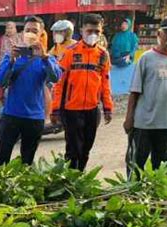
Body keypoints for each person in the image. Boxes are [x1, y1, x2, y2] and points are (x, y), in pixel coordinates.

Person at [123, 16, 167, 174]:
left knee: (161, 166)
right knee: (136, 163)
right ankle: (132, 193)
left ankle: (154, 196)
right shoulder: (146, 58)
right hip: (143, 123)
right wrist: (129, 118)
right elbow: (134, 92)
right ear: (159, 34)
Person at [0, 15, 61, 167]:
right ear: (22, 33)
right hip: (11, 115)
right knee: (0, 162)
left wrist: (44, 57)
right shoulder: (11, 55)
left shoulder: (46, 58)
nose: (30, 33)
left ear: (40, 34)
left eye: (34, 31)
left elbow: (55, 78)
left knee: (27, 162)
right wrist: (11, 61)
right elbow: (0, 81)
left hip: (34, 118)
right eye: (27, 30)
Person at [51, 13, 114, 171]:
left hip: (92, 109)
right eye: (89, 31)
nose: (93, 35)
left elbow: (105, 82)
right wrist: (55, 109)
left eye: (97, 32)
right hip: (71, 109)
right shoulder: (70, 52)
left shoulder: (102, 55)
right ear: (81, 30)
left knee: (86, 148)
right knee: (73, 150)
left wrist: (108, 107)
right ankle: (70, 181)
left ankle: (80, 177)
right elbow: (59, 83)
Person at [0, 21, 23, 104]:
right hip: (3, 64)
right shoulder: (2, 39)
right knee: (1, 81)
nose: (9, 30)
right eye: (7, 28)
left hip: (17, 65)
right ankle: (1, 101)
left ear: (15, 29)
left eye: (11, 28)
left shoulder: (20, 38)